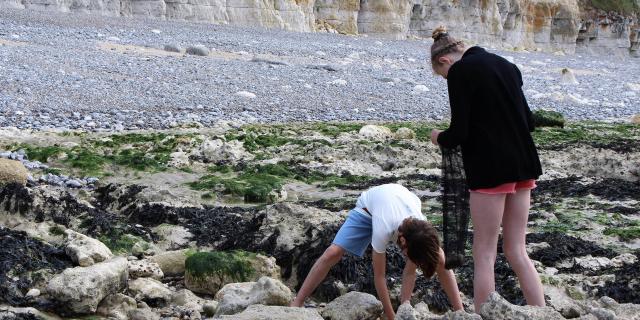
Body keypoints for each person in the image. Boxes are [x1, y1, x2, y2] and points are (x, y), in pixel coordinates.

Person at [428, 26, 545, 311]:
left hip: (490, 170)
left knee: (484, 252)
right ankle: (543, 314)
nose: (446, 79)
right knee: (517, 250)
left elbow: (459, 132)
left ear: (445, 61)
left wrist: (437, 137)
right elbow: (528, 122)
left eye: (442, 76)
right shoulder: (508, 65)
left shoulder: (460, 72)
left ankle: (482, 315)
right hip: (524, 166)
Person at [290, 183, 463, 319]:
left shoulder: (421, 229)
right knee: (332, 252)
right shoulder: (383, 229)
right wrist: (391, 316)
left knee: (440, 260)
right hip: (368, 209)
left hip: (402, 200)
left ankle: (461, 311)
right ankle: (297, 302)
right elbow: (379, 277)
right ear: (402, 240)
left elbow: (412, 271)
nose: (407, 257)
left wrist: (405, 308)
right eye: (406, 251)